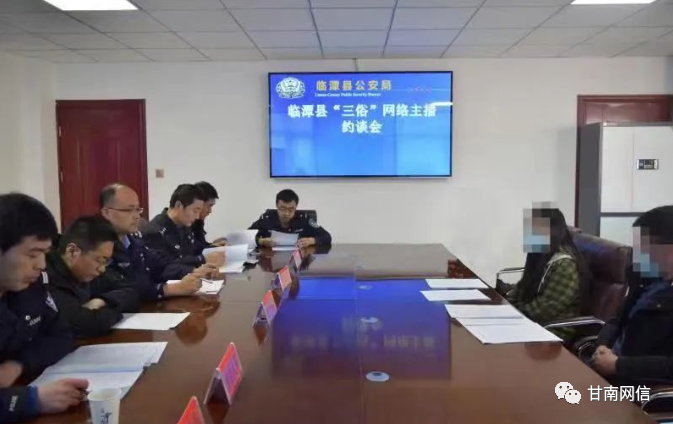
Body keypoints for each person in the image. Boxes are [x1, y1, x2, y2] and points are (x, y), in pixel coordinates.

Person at [0, 193, 88, 422]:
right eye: (32, 254)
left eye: (45, 254)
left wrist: (17, 364)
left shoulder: (31, 285)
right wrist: (31, 400)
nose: (41, 265)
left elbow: (60, 335)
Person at [591, 205, 673, 386]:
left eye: (644, 246)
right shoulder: (648, 281)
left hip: (643, 390)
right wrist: (602, 345)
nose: (637, 254)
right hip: (611, 374)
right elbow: (616, 320)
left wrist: (619, 365)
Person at [100, 184, 215, 300]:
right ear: (107, 213)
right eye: (129, 210)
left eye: (137, 209)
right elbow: (123, 288)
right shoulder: (100, 248)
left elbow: (162, 266)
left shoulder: (133, 240)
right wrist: (167, 289)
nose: (137, 216)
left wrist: (193, 271)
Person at [499, 207, 590, 340]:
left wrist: (509, 312)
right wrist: (505, 302)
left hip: (551, 331)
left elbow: (541, 311)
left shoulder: (564, 265)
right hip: (531, 324)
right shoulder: (541, 255)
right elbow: (522, 289)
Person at [46, 216, 139, 339]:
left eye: (106, 261)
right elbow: (82, 324)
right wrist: (113, 312)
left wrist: (101, 301)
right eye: (99, 260)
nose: (102, 269)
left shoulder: (89, 271)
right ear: (72, 252)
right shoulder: (46, 276)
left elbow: (131, 289)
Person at [144, 184, 225, 269]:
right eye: (195, 211)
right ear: (178, 205)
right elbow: (167, 267)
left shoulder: (183, 224)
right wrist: (201, 260)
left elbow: (195, 250)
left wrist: (215, 249)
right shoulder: (155, 232)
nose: (197, 217)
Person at [249, 189, 331, 248]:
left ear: (296, 207)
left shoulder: (304, 218)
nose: (286, 213)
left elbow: (327, 236)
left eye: (291, 209)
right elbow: (246, 237)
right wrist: (261, 241)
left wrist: (311, 241)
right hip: (270, 259)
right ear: (276, 206)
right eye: (282, 208)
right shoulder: (266, 218)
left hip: (298, 260)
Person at [193, 181, 227, 254]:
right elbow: (193, 252)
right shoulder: (186, 223)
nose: (210, 211)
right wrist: (213, 247)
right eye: (209, 205)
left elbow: (199, 247)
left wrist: (212, 245)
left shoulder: (198, 222)